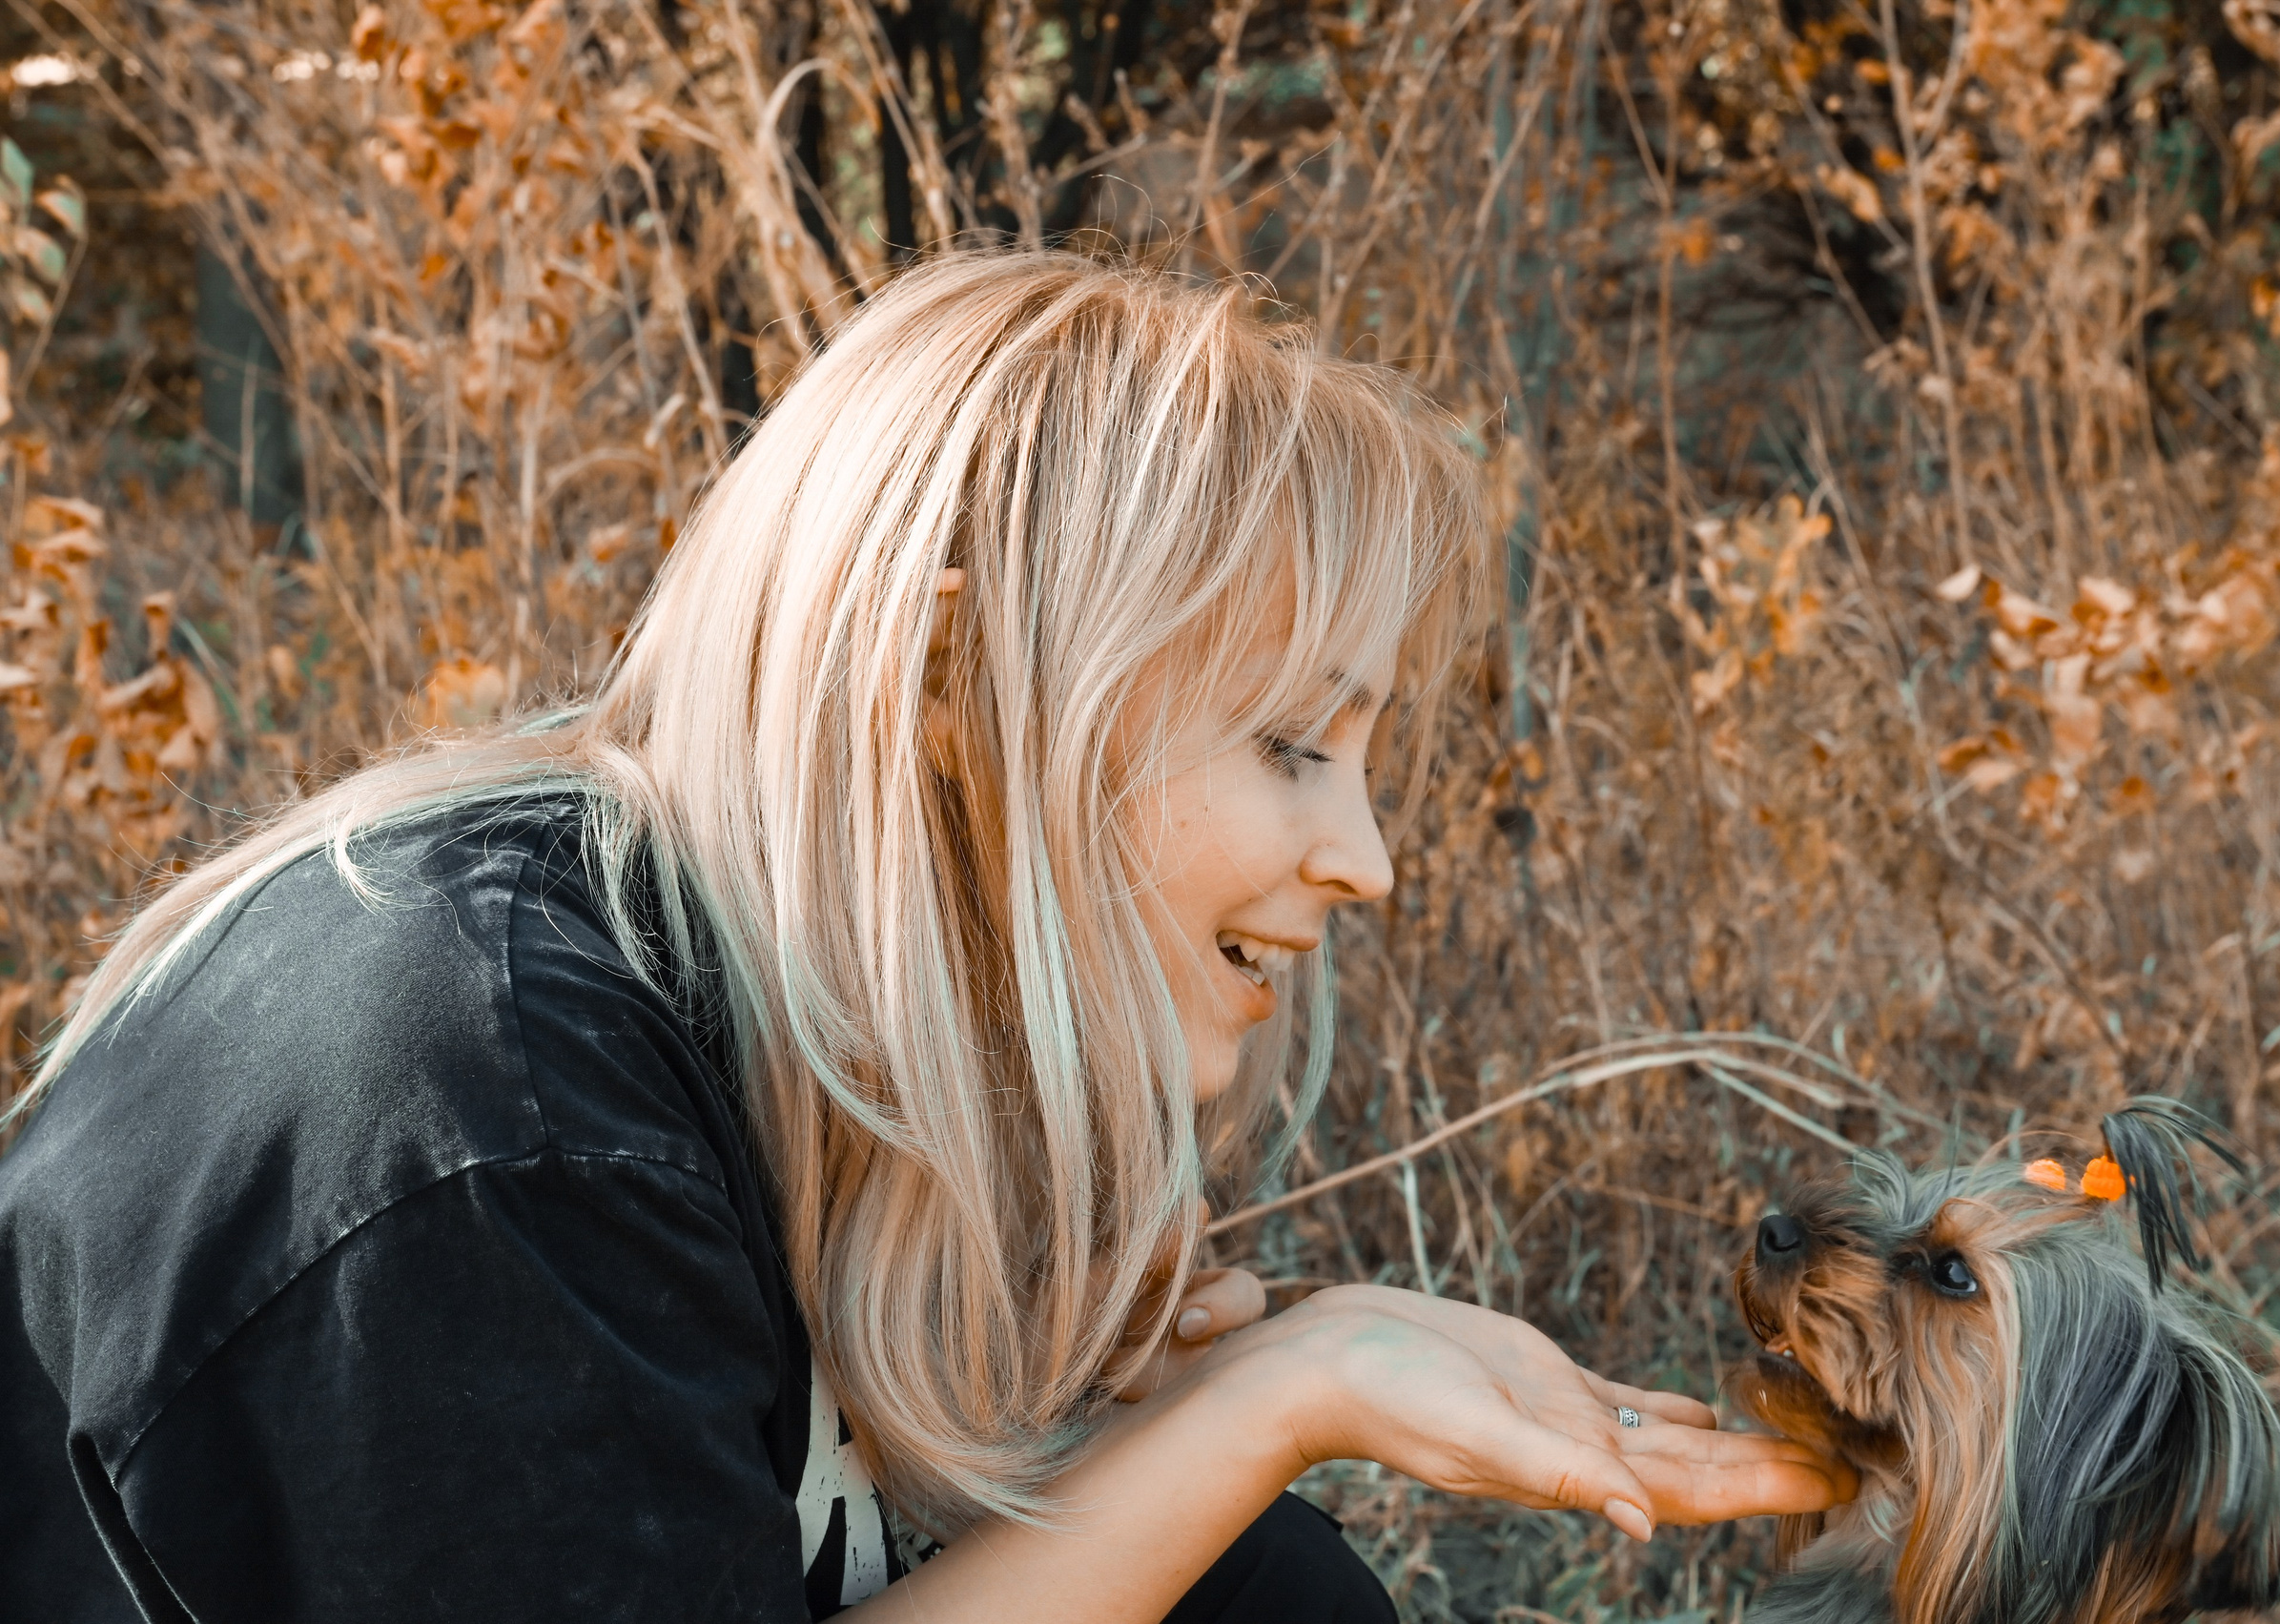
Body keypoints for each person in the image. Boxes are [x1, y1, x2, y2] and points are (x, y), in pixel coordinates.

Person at [0, 254, 1847, 1623]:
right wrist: (1278, 1399)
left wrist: (1158, 1416)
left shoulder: (744, 1011)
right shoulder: (474, 1098)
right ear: (947, 679)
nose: (1358, 858)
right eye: (1288, 742)